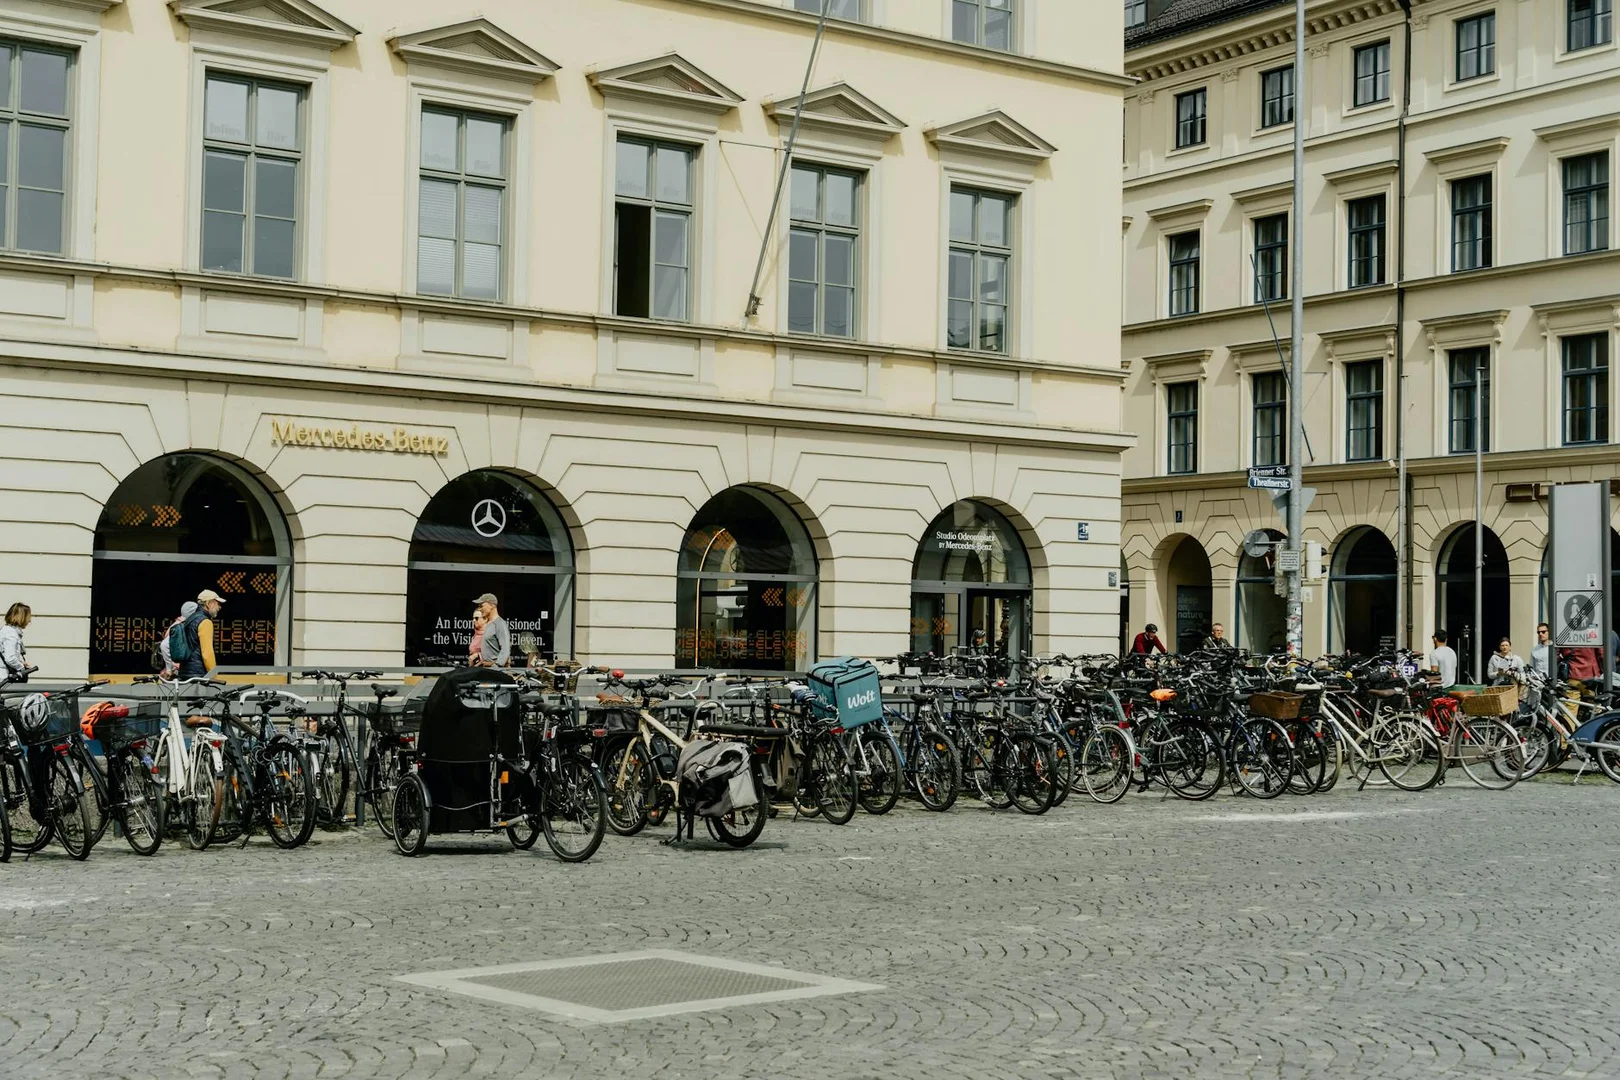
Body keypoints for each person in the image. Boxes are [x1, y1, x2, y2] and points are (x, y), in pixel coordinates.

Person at [177, 590, 224, 679]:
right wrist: (214, 676)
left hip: (184, 673)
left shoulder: (190, 619)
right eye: (218, 604)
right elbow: (207, 653)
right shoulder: (205, 622)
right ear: (209, 603)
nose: (219, 607)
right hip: (199, 675)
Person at [157, 601, 198, 677]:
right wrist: (170, 668)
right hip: (177, 672)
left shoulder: (183, 624)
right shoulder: (180, 626)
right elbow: (164, 645)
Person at [473, 592, 511, 668]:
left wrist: (496, 666)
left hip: (495, 672)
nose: (480, 609)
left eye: (481, 606)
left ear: (491, 605)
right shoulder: (489, 624)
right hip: (487, 669)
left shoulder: (500, 624)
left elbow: (506, 648)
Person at [1, 602, 31, 683]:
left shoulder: (6, 630)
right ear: (21, 617)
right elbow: (10, 658)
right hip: (4, 679)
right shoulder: (11, 634)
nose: (29, 621)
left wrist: (20, 662)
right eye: (28, 617)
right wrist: (21, 667)